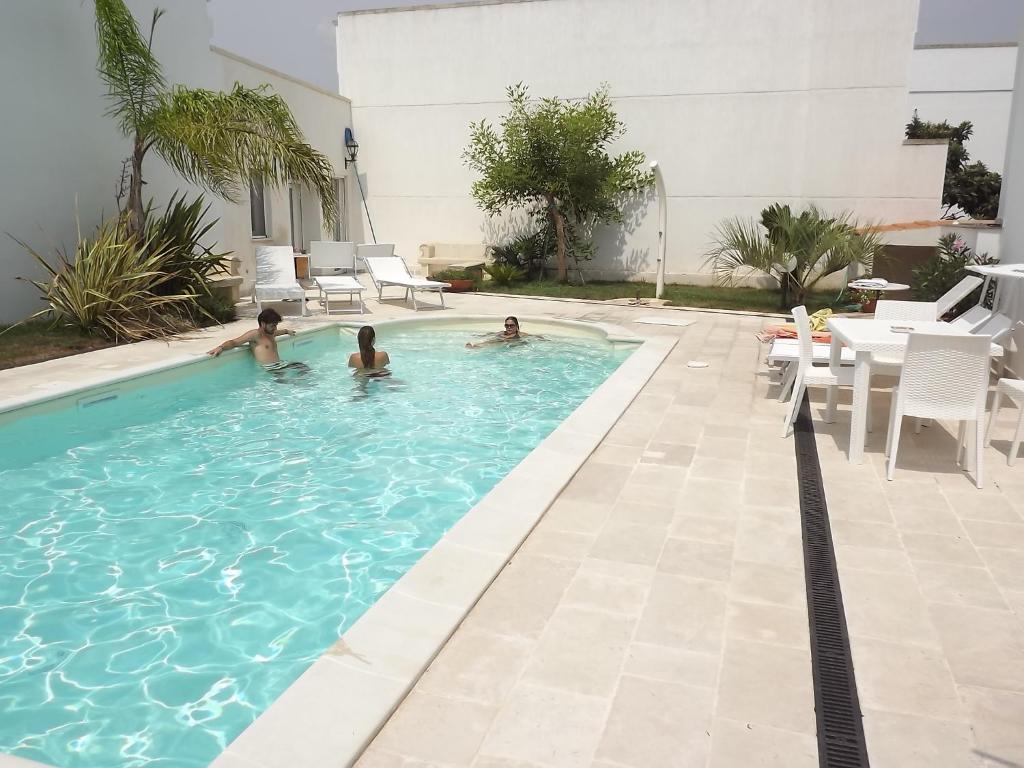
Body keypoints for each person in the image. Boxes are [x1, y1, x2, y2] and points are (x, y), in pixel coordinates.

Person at [207, 308, 309, 374]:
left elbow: (279, 332)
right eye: (273, 325)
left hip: (280, 365)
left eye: (276, 325)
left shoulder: (271, 333)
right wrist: (221, 347)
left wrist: (287, 331)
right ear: (263, 324)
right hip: (270, 370)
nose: (275, 328)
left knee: (302, 367)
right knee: (287, 385)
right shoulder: (255, 335)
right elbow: (234, 342)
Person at [465, 316, 539, 348]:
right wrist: (479, 336)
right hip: (501, 342)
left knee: (501, 341)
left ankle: (477, 347)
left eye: (511, 325)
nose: (509, 327)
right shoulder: (502, 333)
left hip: (513, 344)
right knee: (494, 340)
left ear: (516, 326)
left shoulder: (521, 334)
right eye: (507, 325)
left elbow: (534, 337)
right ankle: (477, 346)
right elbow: (490, 334)